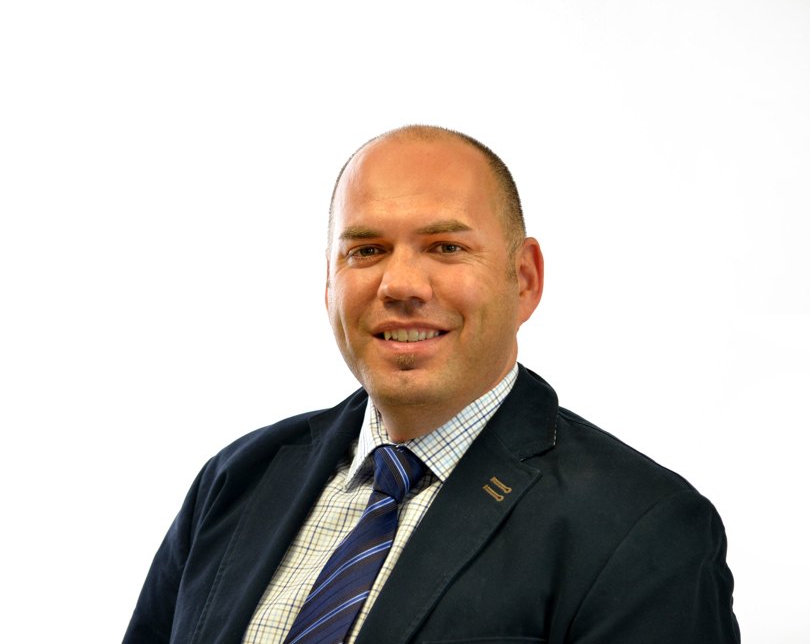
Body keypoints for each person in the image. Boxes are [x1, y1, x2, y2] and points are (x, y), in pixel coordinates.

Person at [123, 125, 740, 644]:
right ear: (329, 283)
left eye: (445, 247)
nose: (400, 285)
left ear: (524, 280)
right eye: (367, 251)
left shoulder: (644, 529)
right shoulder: (236, 479)